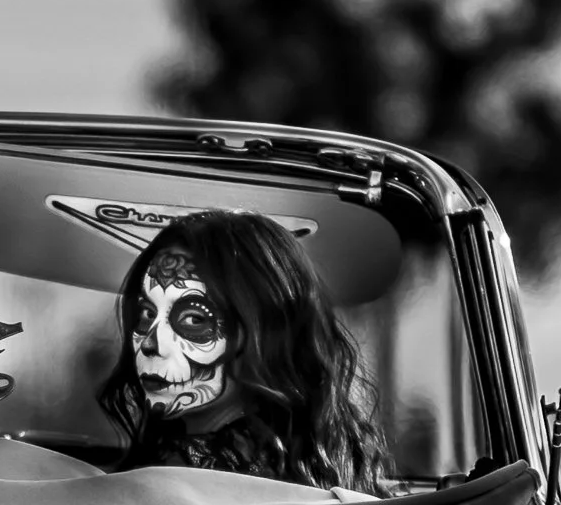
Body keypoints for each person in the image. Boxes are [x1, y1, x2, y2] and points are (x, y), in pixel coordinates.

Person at [97, 208, 388, 489]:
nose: (151, 343)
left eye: (193, 319)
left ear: (262, 336)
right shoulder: (310, 465)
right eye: (147, 314)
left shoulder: (183, 481)